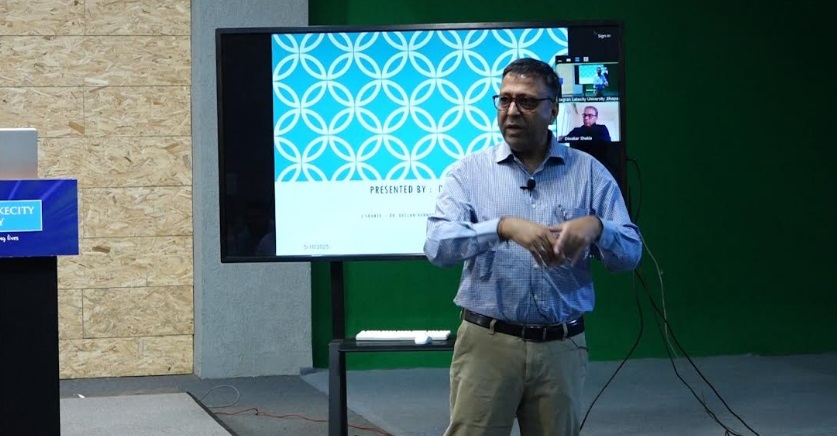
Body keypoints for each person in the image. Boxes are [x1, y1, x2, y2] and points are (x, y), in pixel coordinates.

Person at [424, 57, 641, 436]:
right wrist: (502, 227)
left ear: (552, 110)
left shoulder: (589, 173)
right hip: (487, 344)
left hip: (561, 347)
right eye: (504, 99)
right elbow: (437, 246)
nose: (511, 111)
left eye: (525, 101)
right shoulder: (469, 172)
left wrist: (598, 228)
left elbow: (630, 254)